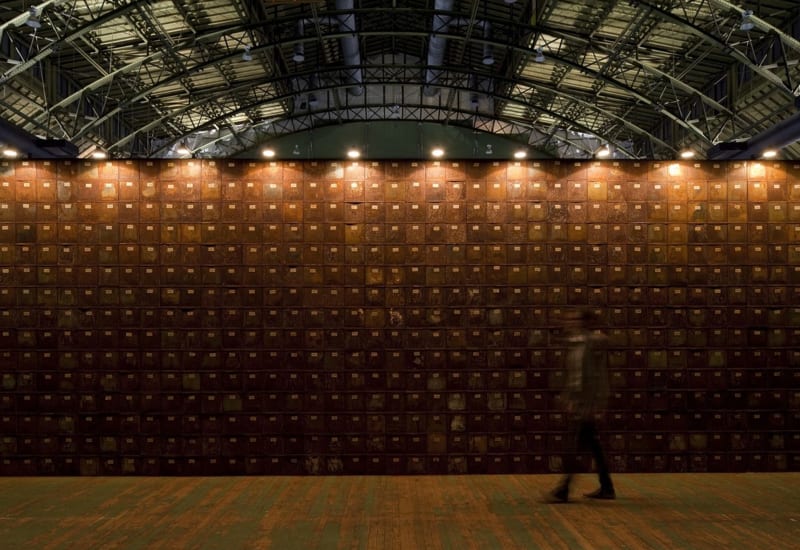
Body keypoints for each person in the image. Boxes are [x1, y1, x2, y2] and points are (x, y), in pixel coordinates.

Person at [546, 308, 615, 503]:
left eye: (574, 320)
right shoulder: (574, 345)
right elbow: (574, 375)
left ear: (583, 323)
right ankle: (607, 487)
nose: (569, 322)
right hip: (579, 400)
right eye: (569, 319)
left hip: (588, 402)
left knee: (574, 445)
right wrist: (568, 396)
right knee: (592, 443)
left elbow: (599, 375)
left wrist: (599, 403)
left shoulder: (593, 344)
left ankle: (564, 489)